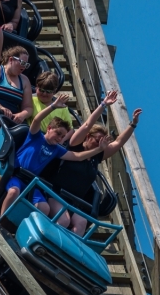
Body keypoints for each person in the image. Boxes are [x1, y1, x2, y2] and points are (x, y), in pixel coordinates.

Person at [48, 92, 142, 234]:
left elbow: (118, 142)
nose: (100, 143)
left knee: (81, 223)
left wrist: (133, 124)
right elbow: (86, 125)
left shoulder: (97, 155)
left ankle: (66, 253)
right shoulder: (75, 144)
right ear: (88, 137)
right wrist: (103, 104)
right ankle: (50, 242)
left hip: (75, 200)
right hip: (56, 193)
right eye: (97, 140)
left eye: (102, 141)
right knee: (64, 220)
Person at [0, 94, 106, 216]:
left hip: (31, 182)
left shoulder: (57, 150)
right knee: (13, 192)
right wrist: (53, 106)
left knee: (45, 209)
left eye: (62, 136)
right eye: (58, 133)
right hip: (17, 175)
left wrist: (99, 150)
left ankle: (18, 224)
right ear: (49, 128)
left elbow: (78, 156)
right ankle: (2, 218)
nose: (60, 138)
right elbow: (37, 120)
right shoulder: (35, 136)